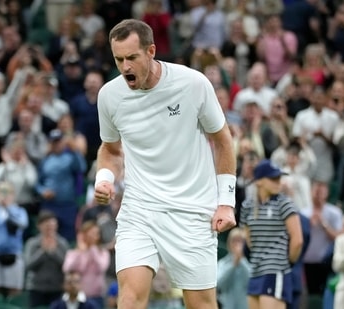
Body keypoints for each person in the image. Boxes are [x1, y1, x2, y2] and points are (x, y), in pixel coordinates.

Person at [94, 19, 237, 309]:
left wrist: (226, 202)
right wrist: (104, 178)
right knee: (130, 299)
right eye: (119, 59)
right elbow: (110, 149)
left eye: (132, 58)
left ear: (151, 51)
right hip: (140, 210)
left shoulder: (193, 84)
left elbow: (223, 141)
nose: (125, 67)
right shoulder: (109, 96)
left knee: (202, 305)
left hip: (192, 211)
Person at [240, 159, 303, 309]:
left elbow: (298, 240)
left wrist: (285, 263)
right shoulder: (247, 206)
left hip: (276, 272)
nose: (278, 182)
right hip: (255, 271)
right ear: (259, 181)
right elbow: (248, 239)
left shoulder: (284, 203)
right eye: (273, 178)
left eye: (279, 178)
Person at [24, 210, 69, 308]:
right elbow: (28, 265)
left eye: (52, 225)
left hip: (57, 288)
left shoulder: (62, 243)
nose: (49, 227)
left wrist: (53, 252)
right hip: (36, 288)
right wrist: (43, 251)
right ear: (39, 226)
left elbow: (67, 266)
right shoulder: (32, 243)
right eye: (46, 225)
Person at [217, 227, 251, 309]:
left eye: (240, 241)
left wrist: (241, 260)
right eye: (234, 240)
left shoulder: (250, 262)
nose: (237, 244)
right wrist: (233, 264)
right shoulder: (223, 263)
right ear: (229, 243)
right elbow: (218, 284)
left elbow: (252, 281)